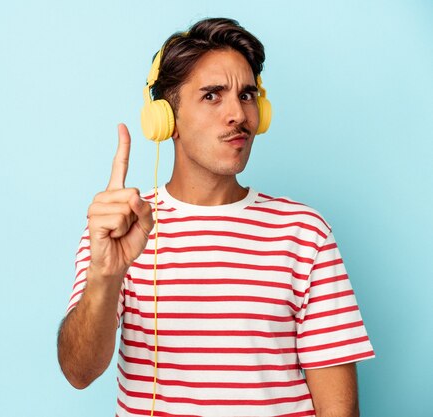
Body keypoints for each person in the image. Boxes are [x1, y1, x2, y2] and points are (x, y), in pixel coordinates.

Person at [57, 17, 374, 417]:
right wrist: (106, 274)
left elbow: (339, 410)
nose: (237, 115)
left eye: (246, 95)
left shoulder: (304, 233)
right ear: (165, 119)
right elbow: (79, 371)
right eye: (212, 96)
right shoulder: (121, 226)